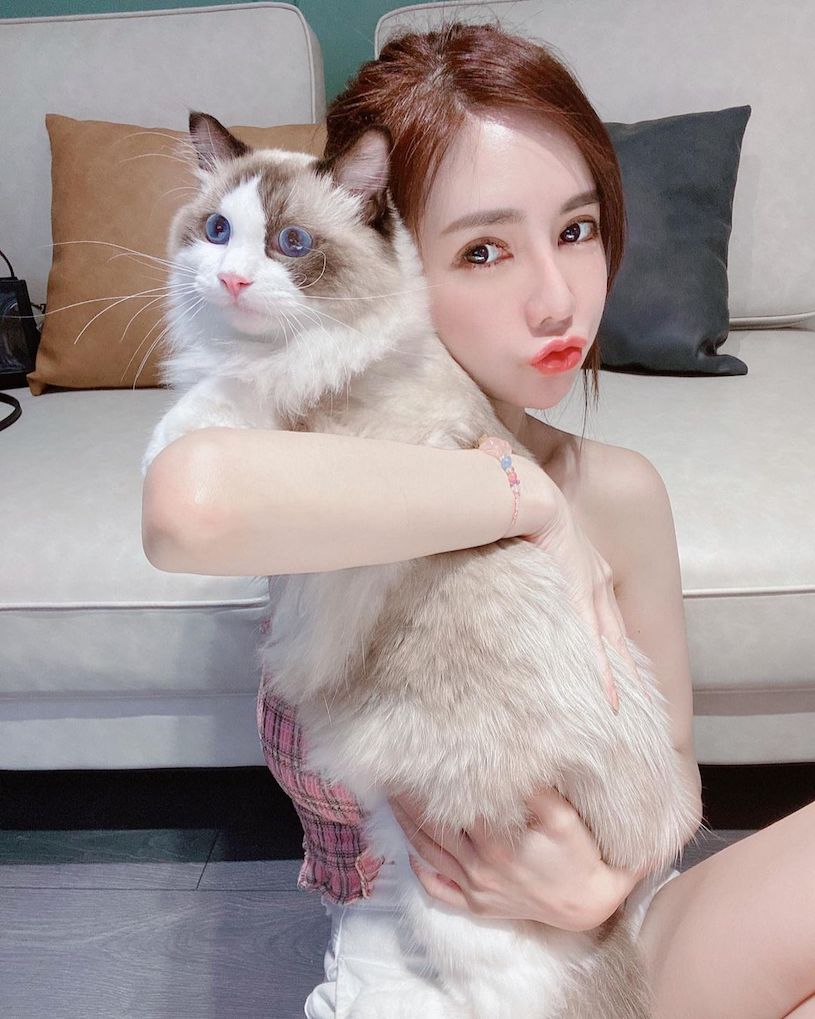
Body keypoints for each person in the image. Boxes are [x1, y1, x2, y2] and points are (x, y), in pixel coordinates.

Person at [142, 22, 815, 1019]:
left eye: (576, 230)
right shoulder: (331, 462)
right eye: (484, 249)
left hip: (622, 922)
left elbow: (670, 758)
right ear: (388, 259)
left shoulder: (620, 488)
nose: (556, 299)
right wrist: (526, 498)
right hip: (426, 950)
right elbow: (188, 503)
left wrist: (594, 884)